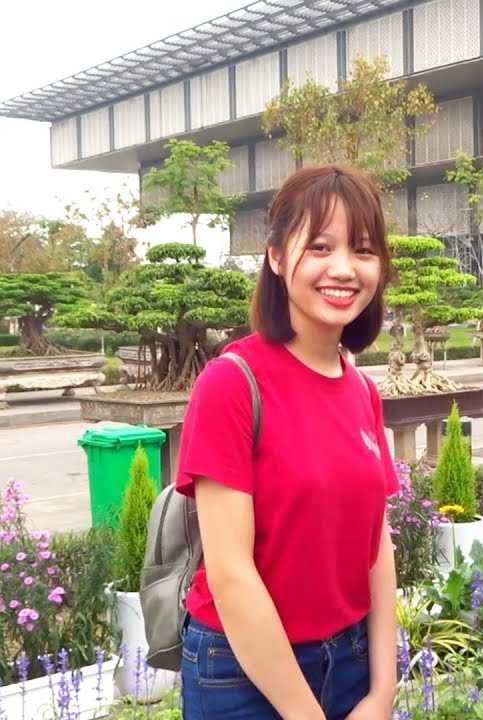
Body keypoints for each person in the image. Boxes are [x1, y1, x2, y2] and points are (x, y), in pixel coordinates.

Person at [172, 163, 401, 720]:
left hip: (349, 659)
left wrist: (383, 688)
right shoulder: (232, 383)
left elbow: (377, 546)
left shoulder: (362, 390)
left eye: (363, 250)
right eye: (320, 247)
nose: (343, 269)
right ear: (276, 257)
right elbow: (231, 573)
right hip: (241, 671)